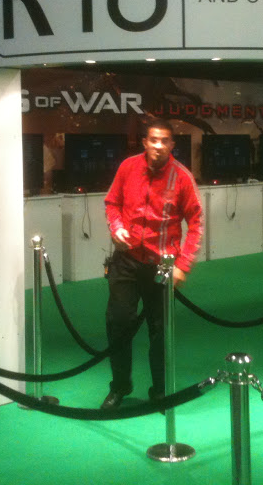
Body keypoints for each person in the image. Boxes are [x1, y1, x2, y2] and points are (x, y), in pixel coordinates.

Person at [100, 119, 204, 409]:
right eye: (154, 140)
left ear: (172, 145)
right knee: (118, 323)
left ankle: (160, 391)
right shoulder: (127, 167)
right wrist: (116, 227)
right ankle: (120, 386)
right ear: (144, 142)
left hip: (163, 267)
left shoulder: (182, 177)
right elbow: (112, 203)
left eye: (164, 141)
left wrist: (183, 265)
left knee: (160, 331)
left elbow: (196, 222)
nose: (159, 146)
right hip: (127, 261)